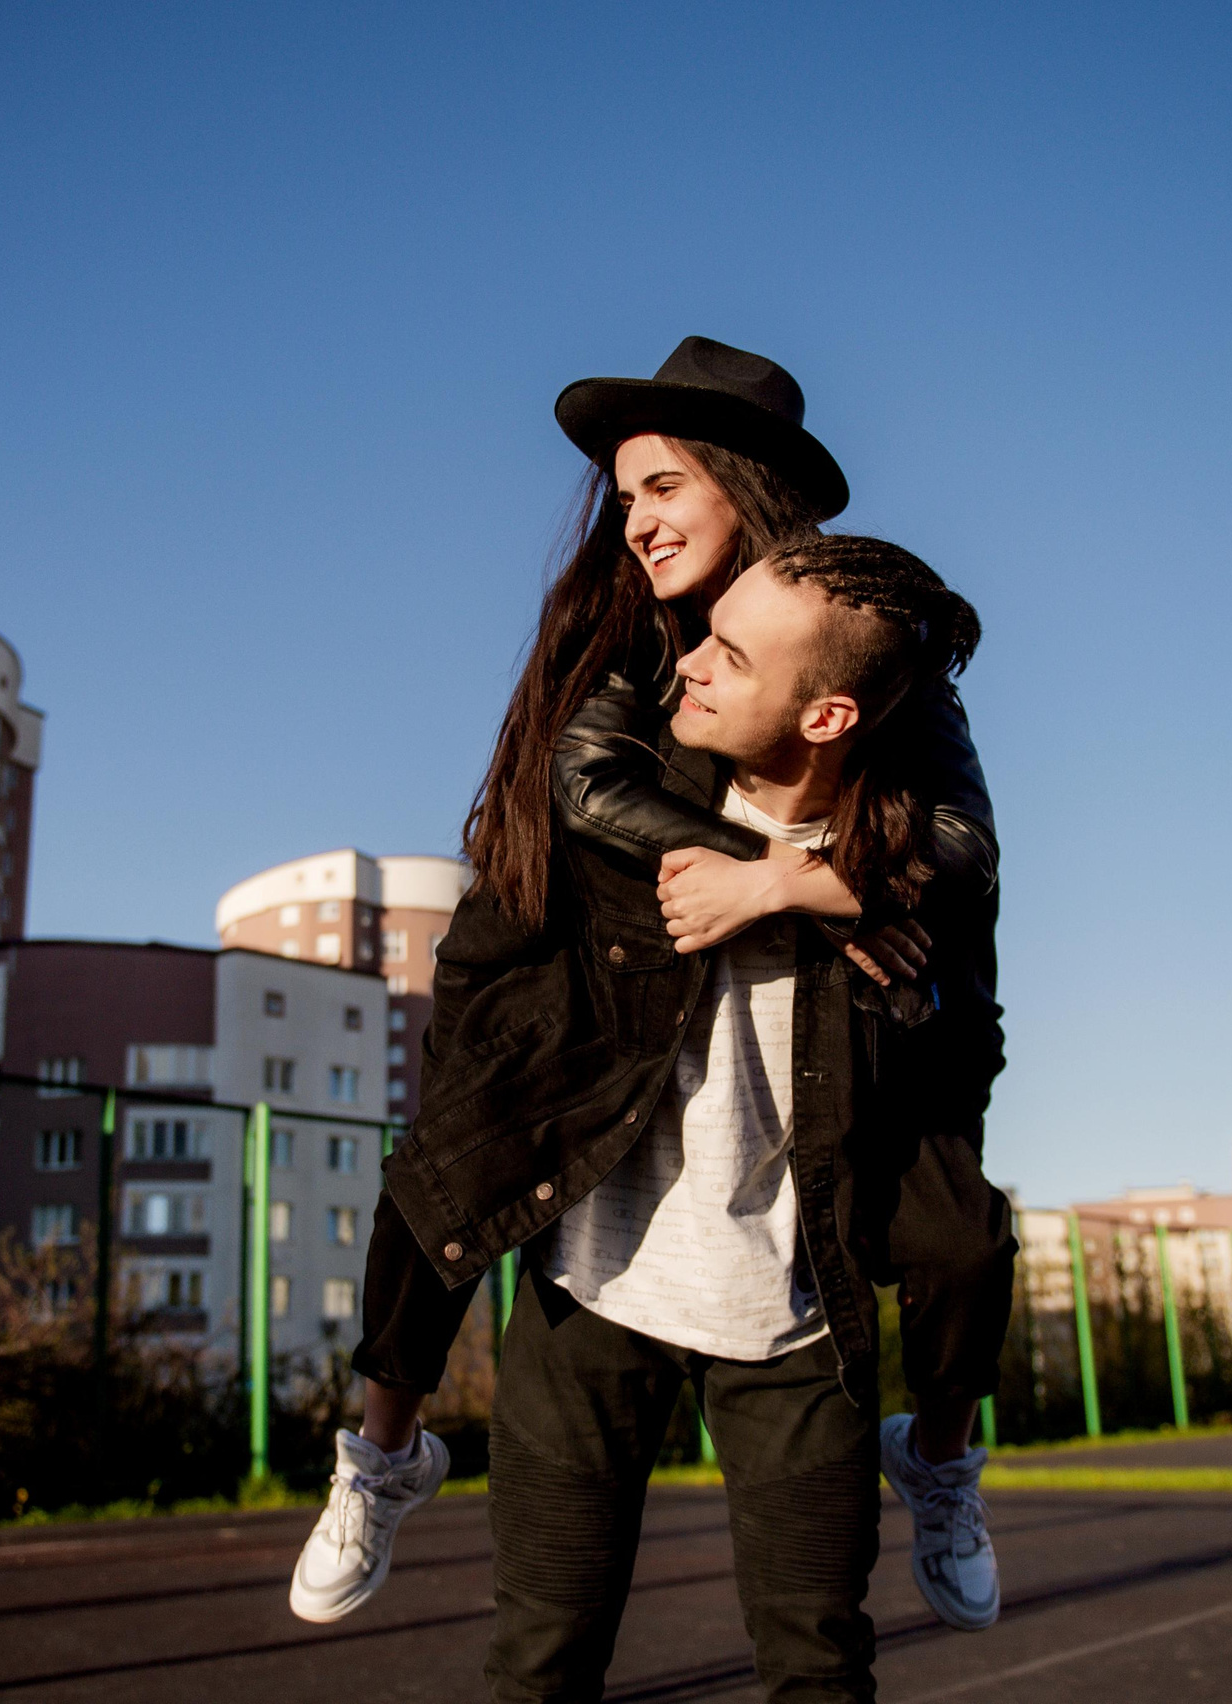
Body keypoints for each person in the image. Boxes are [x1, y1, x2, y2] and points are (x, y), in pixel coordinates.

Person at [289, 344, 1012, 1651]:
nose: (638, 522)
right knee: (443, 1175)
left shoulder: (868, 646)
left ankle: (944, 1462)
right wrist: (796, 874)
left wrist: (825, 892)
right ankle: (380, 1456)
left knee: (965, 1241)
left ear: (750, 489)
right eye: (625, 497)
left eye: (665, 487)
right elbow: (583, 790)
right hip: (570, 953)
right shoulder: (633, 634)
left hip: (835, 1055)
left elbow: (963, 850)